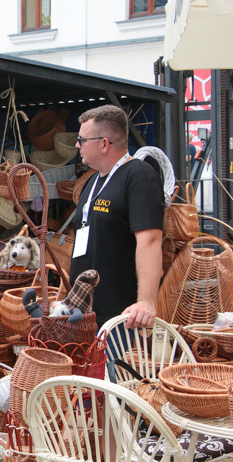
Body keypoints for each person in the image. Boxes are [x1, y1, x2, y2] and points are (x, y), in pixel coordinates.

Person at [71, 104, 164, 330]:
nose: (77, 145)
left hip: (119, 314)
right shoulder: (92, 181)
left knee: (112, 366)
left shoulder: (139, 176)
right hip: (84, 311)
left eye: (82, 139)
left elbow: (150, 240)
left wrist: (145, 302)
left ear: (104, 144)